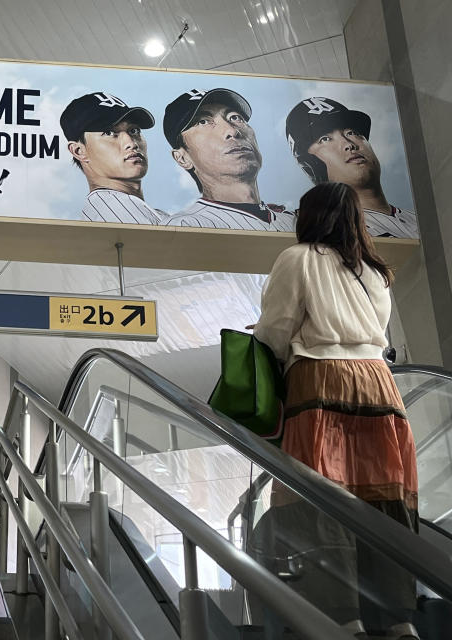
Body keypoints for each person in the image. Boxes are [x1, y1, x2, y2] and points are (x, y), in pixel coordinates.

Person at [252, 182, 419, 640]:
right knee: (385, 501)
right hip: (380, 388)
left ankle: (344, 619)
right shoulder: (376, 270)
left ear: (309, 217)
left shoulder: (299, 258)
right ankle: (401, 618)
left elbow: (276, 331)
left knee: (319, 499)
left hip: (321, 381)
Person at [163, 88, 295, 231]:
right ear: (182, 158)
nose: (232, 131)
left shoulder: (293, 221)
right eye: (203, 121)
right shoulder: (185, 225)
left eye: (235, 117)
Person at [286, 97, 418, 238]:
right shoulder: (325, 233)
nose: (349, 144)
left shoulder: (419, 220)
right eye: (325, 139)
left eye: (351, 132)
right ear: (309, 165)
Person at [59, 91, 165, 224]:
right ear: (79, 151)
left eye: (134, 130)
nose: (131, 143)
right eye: (109, 133)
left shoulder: (142, 211)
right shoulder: (113, 211)